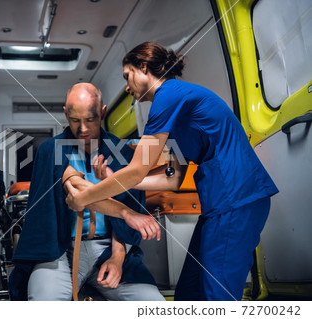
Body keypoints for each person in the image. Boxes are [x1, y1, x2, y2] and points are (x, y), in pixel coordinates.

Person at [65, 42, 279, 301]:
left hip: (237, 199)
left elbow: (135, 170)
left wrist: (84, 198)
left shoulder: (168, 96)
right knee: (189, 292)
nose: (126, 86)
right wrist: (113, 179)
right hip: (220, 206)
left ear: (143, 67)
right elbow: (173, 177)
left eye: (127, 76)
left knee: (218, 297)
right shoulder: (172, 109)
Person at [8, 82, 164, 301]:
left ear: (102, 112)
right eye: (75, 120)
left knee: (153, 304)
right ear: (66, 114)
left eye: (90, 120)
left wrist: (118, 258)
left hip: (107, 249)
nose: (82, 129)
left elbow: (129, 200)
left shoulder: (122, 153)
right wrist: (128, 214)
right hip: (59, 252)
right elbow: (77, 194)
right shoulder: (50, 150)